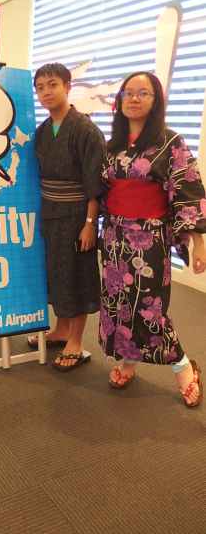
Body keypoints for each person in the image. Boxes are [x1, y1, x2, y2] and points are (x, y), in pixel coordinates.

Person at [100, 71, 206, 406]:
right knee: (119, 304)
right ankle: (129, 360)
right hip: (113, 236)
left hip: (148, 239)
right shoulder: (112, 145)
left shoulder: (171, 143)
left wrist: (198, 242)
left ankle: (183, 366)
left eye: (143, 93)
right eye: (128, 92)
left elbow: (187, 191)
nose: (134, 98)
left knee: (149, 307)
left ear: (156, 100)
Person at [28, 63, 106, 370]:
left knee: (76, 276)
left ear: (68, 86)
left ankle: (76, 339)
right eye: (40, 88)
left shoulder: (85, 129)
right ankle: (61, 329)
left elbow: (94, 183)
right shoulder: (42, 131)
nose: (46, 92)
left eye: (52, 85)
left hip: (77, 215)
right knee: (57, 274)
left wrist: (90, 224)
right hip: (51, 213)